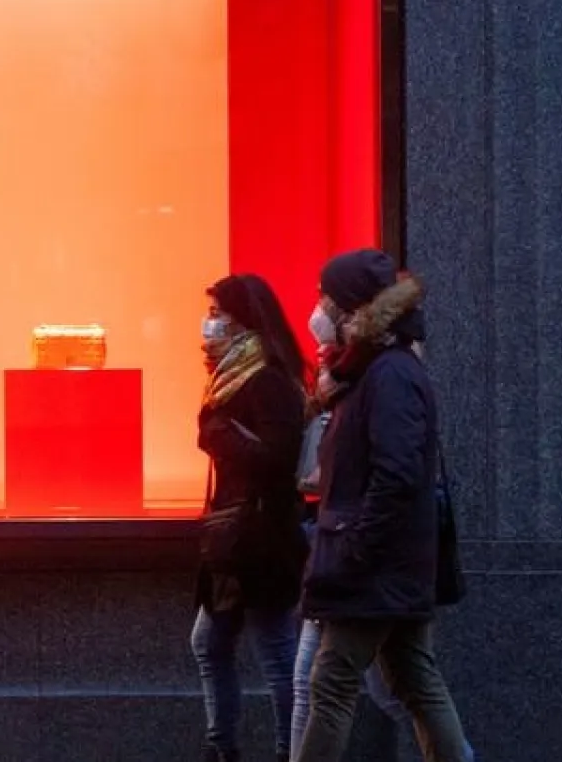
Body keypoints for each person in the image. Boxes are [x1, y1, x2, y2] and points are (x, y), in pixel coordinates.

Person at [293, 249, 470, 762]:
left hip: (374, 566)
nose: (318, 310)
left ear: (351, 308)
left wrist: (355, 552)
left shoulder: (388, 375)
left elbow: (395, 477)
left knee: (331, 684)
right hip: (391, 562)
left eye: (326, 299)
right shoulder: (377, 370)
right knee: (415, 680)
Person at [190, 274, 309, 762]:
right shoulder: (232, 376)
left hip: (260, 535)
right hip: (233, 535)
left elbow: (276, 458)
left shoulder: (268, 379)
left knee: (276, 653)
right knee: (210, 642)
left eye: (219, 313)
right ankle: (223, 746)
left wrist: (216, 432)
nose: (210, 323)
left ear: (245, 321)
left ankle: (285, 751)